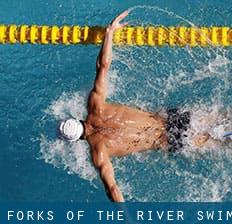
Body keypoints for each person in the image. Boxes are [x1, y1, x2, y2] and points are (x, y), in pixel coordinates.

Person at [58, 11, 210, 202]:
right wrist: (109, 33)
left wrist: (129, 220)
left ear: (76, 140)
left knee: (228, 141)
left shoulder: (99, 152)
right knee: (226, 118)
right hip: (172, 118)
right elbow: (103, 66)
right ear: (76, 119)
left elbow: (112, 189)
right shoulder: (95, 105)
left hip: (171, 140)